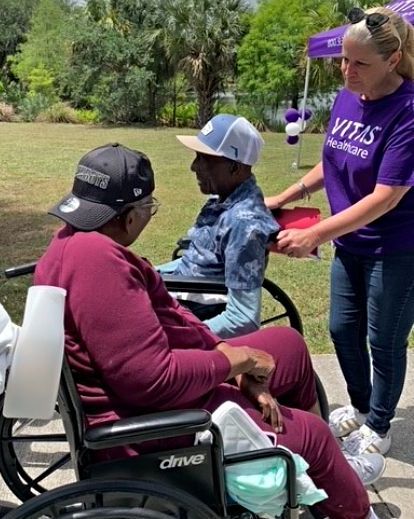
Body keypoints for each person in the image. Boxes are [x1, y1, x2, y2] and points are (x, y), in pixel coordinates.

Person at [34, 142, 384, 519]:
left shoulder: (77, 241)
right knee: (314, 436)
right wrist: (233, 365)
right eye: (147, 208)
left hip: (162, 384)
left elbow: (174, 319)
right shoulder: (98, 264)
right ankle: (342, 493)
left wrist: (227, 357)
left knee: (289, 346)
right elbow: (152, 380)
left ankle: (316, 475)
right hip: (149, 420)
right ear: (128, 216)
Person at [266, 6, 414, 457]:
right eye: (343, 61)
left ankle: (380, 426)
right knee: (341, 329)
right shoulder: (350, 96)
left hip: (396, 248)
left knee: (383, 338)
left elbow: (386, 196)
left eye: (359, 63)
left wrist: (316, 234)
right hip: (351, 243)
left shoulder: (408, 111)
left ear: (393, 60)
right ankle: (363, 405)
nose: (347, 70)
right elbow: (332, 156)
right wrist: (287, 195)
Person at [158, 114, 278, 339]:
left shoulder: (243, 223)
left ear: (235, 168)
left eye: (205, 159)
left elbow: (243, 318)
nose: (194, 166)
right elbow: (197, 262)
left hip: (190, 307)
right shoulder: (224, 199)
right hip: (178, 288)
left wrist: (184, 336)